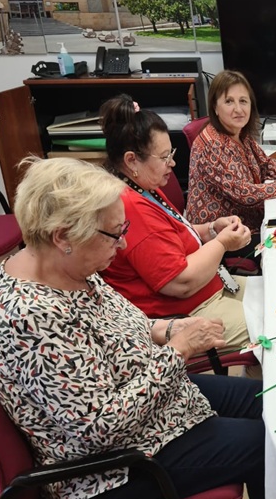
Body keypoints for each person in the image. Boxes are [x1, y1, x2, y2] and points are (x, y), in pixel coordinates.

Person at [0, 158, 267, 499]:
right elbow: (99, 428)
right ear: (64, 234)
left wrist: (170, 330)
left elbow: (130, 324)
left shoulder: (69, 263)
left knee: (270, 400)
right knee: (268, 443)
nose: (121, 246)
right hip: (109, 469)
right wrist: (179, 350)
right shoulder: (29, 316)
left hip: (151, 402)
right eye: (113, 235)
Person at [98, 94, 254, 353]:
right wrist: (223, 243)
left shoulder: (141, 187)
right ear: (131, 160)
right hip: (188, 311)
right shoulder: (129, 208)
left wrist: (213, 228)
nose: (172, 163)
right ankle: (249, 388)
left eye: (171, 153)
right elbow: (180, 283)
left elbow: (175, 233)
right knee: (274, 326)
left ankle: (253, 378)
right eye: (163, 157)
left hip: (209, 287)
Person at [186, 70, 276, 231]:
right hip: (223, 234)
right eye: (229, 102)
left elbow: (265, 163)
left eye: (243, 101)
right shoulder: (213, 145)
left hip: (247, 220)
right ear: (215, 107)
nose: (238, 109)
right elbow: (244, 194)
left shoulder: (239, 133)